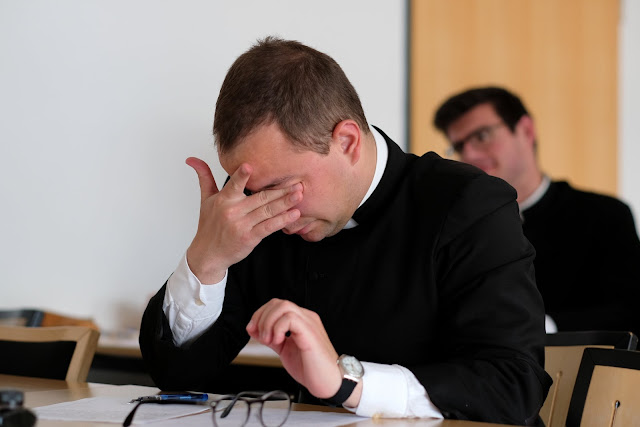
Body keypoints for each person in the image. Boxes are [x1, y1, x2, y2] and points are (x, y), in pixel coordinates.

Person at [139, 38, 551, 424]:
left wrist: (346, 381)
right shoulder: (261, 212)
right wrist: (206, 261)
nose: (272, 211)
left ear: (348, 141)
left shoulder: (470, 204)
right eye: (251, 191)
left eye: (283, 187)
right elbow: (178, 375)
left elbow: (513, 385)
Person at [433, 86, 640, 336]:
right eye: (459, 146)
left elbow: (630, 311)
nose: (469, 154)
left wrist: (540, 326)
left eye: (482, 136)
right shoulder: (453, 228)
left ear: (526, 130)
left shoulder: (604, 216)